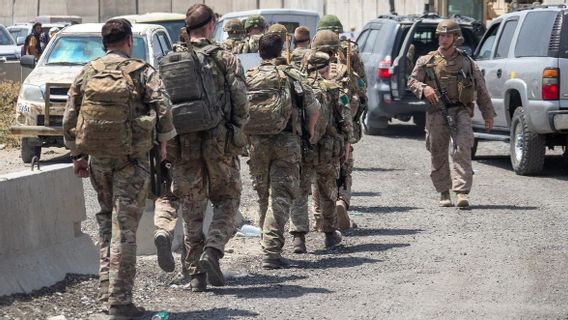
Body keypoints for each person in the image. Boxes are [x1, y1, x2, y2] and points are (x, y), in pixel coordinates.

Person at [62, 18, 176, 319]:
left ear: (104, 43)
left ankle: (106, 295)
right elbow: (163, 107)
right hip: (133, 160)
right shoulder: (142, 72)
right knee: (124, 229)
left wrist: (77, 155)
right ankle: (120, 302)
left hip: (99, 160)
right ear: (129, 41)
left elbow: (69, 117)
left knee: (104, 224)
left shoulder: (87, 72)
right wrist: (163, 143)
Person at [168, 3, 249, 291]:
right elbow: (241, 102)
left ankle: (195, 276)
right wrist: (238, 135)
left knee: (192, 208)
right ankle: (212, 251)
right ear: (211, 24)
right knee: (227, 200)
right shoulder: (225, 58)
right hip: (220, 145)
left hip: (183, 146)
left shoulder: (171, 59)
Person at [246, 33, 319, 269]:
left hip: (256, 143)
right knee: (281, 194)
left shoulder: (250, 76)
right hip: (286, 141)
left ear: (259, 52)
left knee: (262, 194)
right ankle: (272, 252)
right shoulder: (291, 74)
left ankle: (265, 243)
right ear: (281, 51)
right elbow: (314, 107)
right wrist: (308, 132)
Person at [407, 19, 495, 208]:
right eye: (441, 36)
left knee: (463, 147)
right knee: (437, 151)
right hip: (436, 112)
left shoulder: (467, 62)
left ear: (456, 37)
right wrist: (424, 89)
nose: (443, 39)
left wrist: (488, 114)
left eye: (448, 36)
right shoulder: (427, 61)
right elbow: (412, 82)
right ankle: (444, 191)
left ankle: (461, 192)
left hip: (461, 110)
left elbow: (481, 87)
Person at [289, 51, 352, 252]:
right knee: (327, 190)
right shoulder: (335, 89)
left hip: (303, 147)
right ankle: (330, 234)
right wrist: (347, 145)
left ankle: (298, 236)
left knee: (300, 191)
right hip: (327, 149)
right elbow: (346, 120)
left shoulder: (297, 86)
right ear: (326, 68)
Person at [316, 16, 367, 230]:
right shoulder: (346, 68)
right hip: (341, 130)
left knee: (317, 174)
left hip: (316, 132)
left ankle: (319, 217)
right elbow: (360, 93)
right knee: (344, 169)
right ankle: (341, 201)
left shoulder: (307, 68)